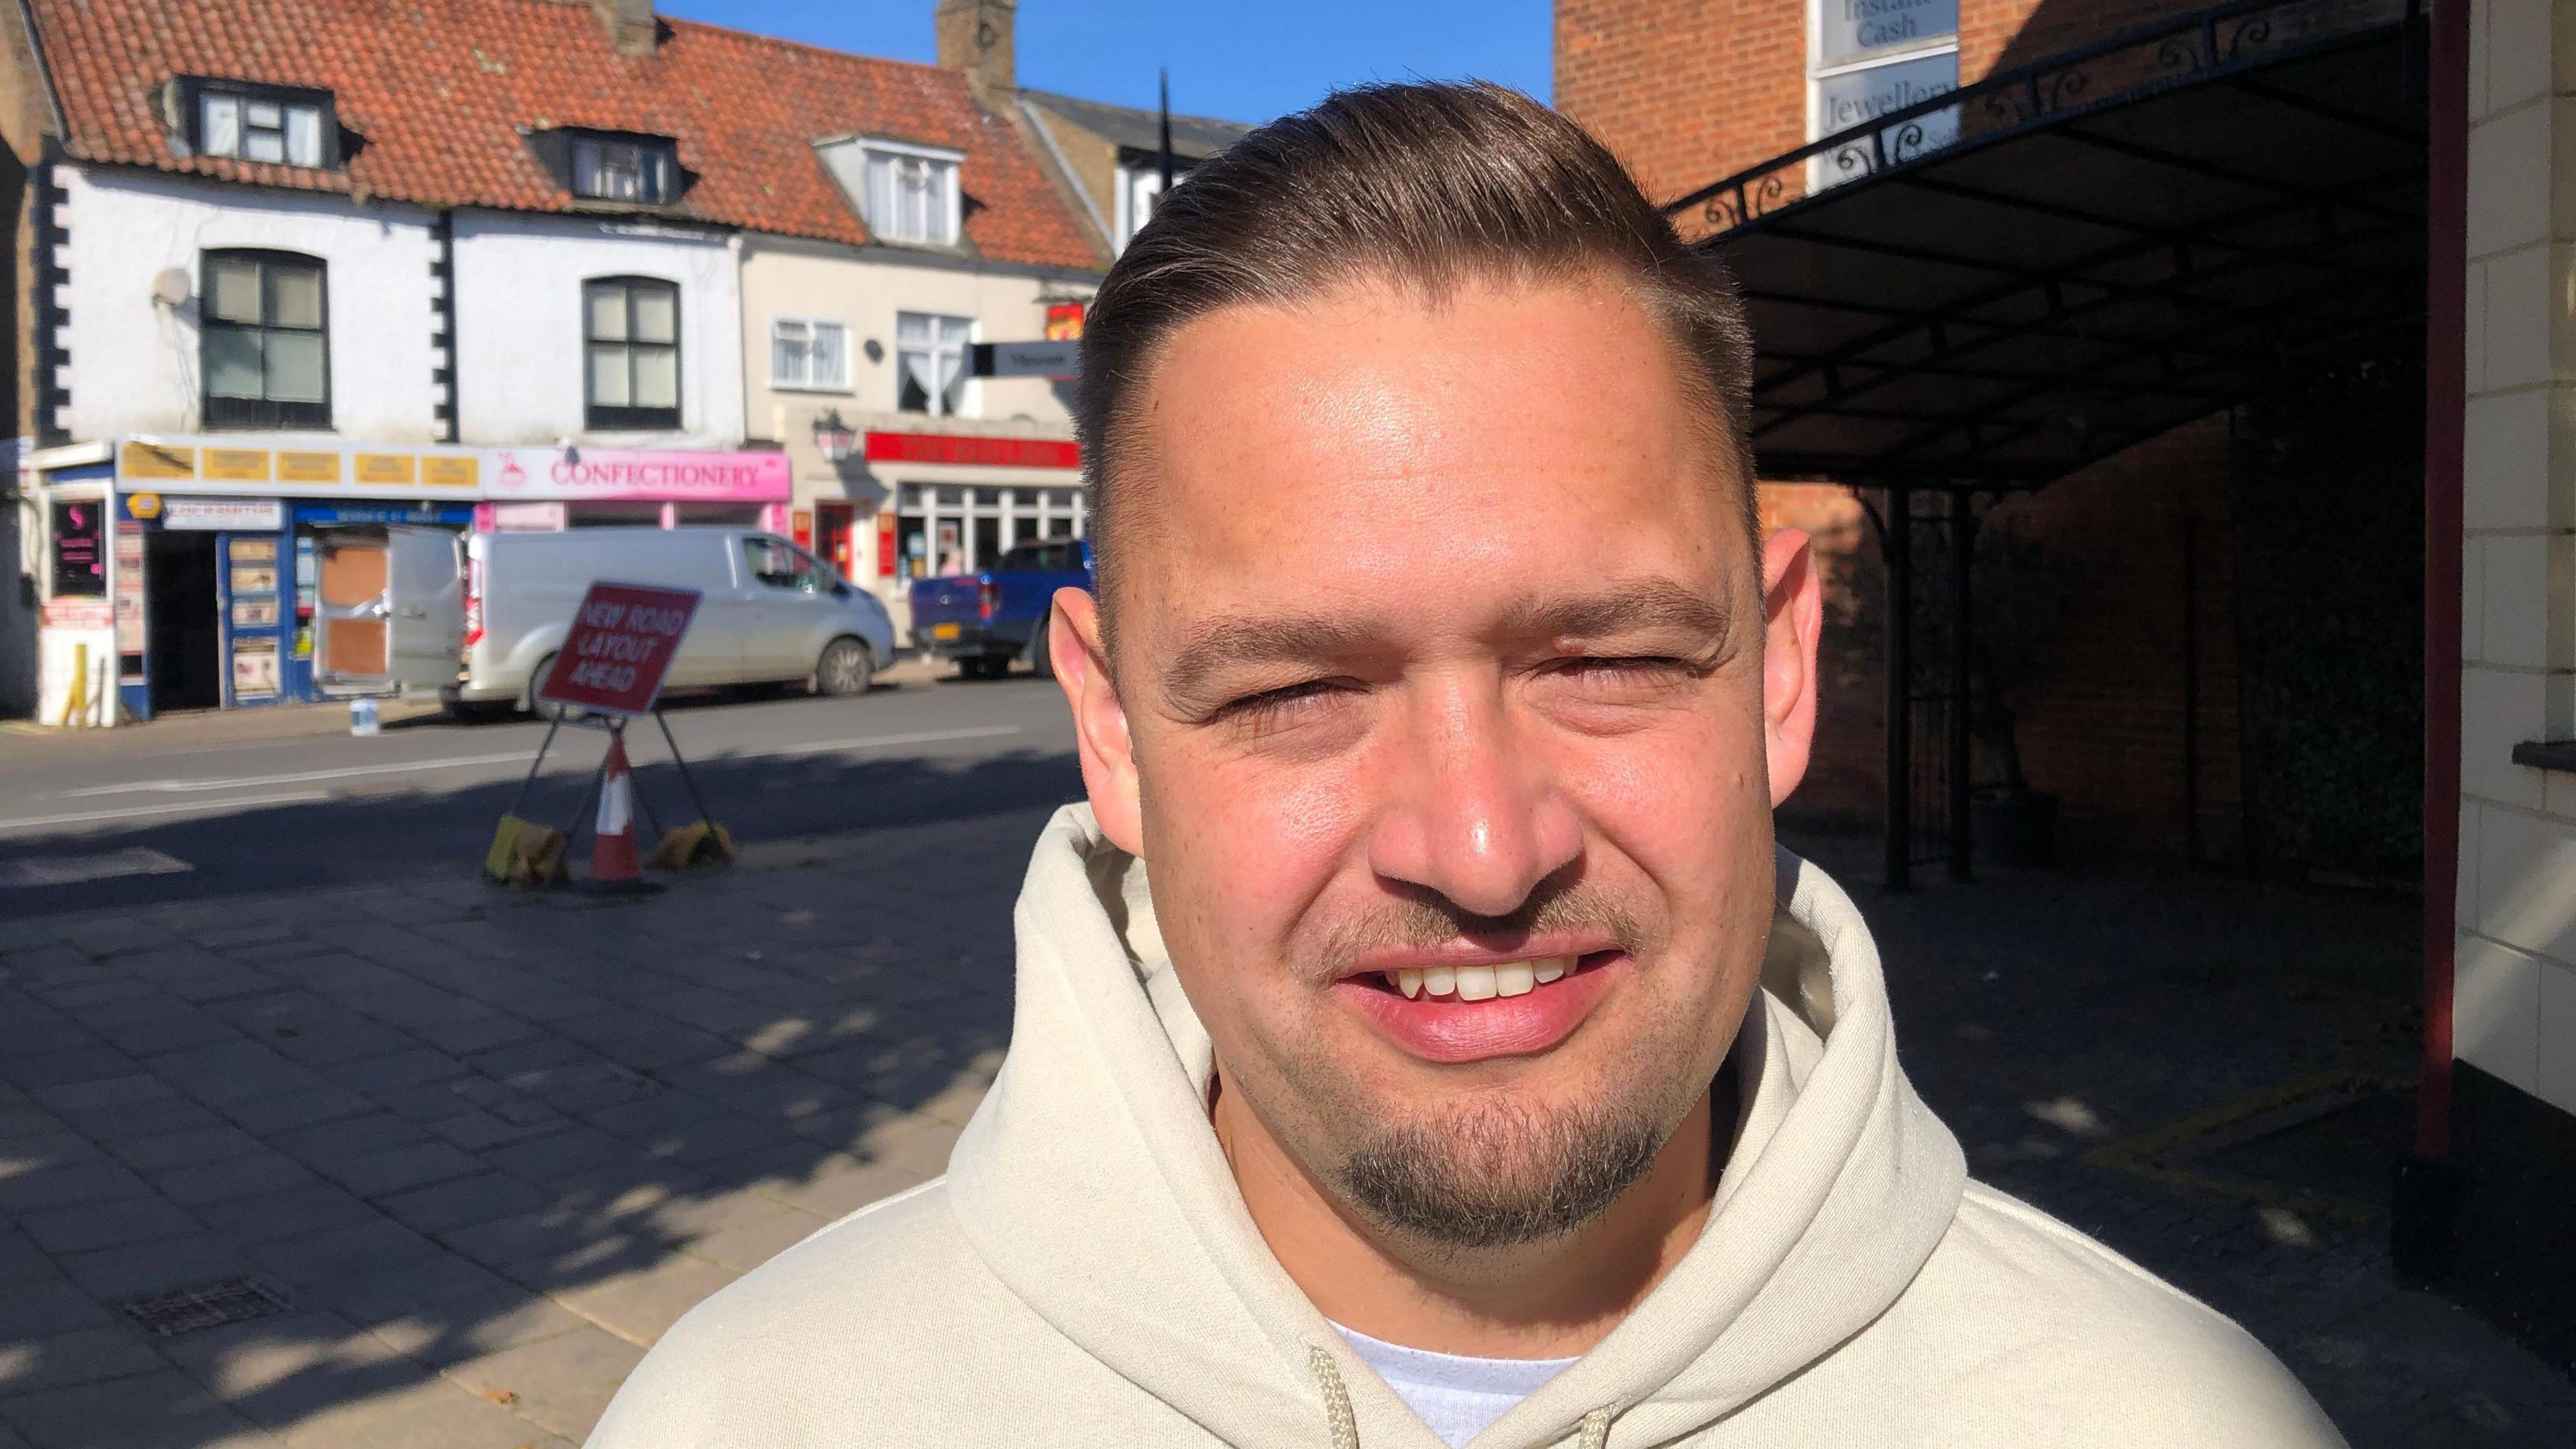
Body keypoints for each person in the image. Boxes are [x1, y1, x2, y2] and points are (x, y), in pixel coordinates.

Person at [589, 81, 2343, 1448]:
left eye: (1603, 659)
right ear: (1113, 732)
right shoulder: (749, 1415)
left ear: (1782, 670)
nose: (1483, 851)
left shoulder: (2172, 1417)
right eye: (1297, 689)